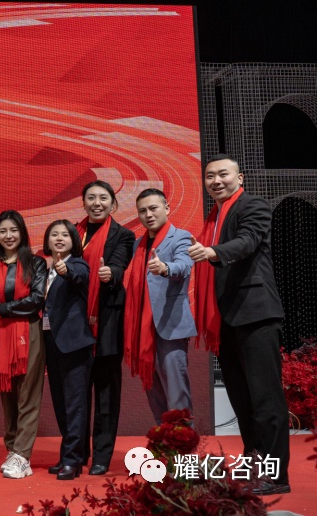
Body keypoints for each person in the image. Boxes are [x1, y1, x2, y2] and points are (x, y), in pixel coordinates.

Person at [189, 154, 290, 495]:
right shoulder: (214, 217)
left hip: (255, 314)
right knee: (242, 401)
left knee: (265, 399)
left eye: (223, 174)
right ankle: (254, 465)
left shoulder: (253, 206)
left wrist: (213, 252)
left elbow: (247, 242)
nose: (216, 181)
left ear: (240, 178)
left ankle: (276, 476)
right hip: (226, 319)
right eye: (210, 176)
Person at [0, 210, 47, 480]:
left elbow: (37, 299)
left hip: (29, 331)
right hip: (0, 333)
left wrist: (2, 308)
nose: (8, 236)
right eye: (3, 231)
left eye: (14, 230)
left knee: (28, 394)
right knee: (8, 394)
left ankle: (22, 454)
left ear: (22, 233)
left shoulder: (36, 263)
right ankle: (13, 449)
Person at [75, 180, 135, 475]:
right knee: (77, 394)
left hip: (107, 322)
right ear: (83, 203)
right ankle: (76, 453)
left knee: (106, 394)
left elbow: (120, 265)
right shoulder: (72, 233)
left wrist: (111, 273)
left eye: (103, 198)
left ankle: (101, 455)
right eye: (91, 198)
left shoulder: (123, 235)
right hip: (74, 324)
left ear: (113, 204)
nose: (96, 203)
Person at [123, 188, 196, 424]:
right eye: (142, 211)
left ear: (167, 208)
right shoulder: (138, 245)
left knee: (177, 394)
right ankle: (165, 442)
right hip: (144, 329)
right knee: (154, 395)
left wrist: (165, 268)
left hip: (170, 326)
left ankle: (183, 444)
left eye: (153, 208)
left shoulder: (181, 237)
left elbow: (184, 265)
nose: (148, 215)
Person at [42, 220, 94, 481]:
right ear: (47, 241)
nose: (59, 238)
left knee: (75, 404)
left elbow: (79, 276)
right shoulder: (46, 269)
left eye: (65, 234)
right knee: (61, 404)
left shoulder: (77, 264)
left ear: (74, 240)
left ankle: (73, 460)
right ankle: (69, 455)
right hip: (51, 343)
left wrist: (66, 270)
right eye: (54, 234)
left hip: (74, 344)